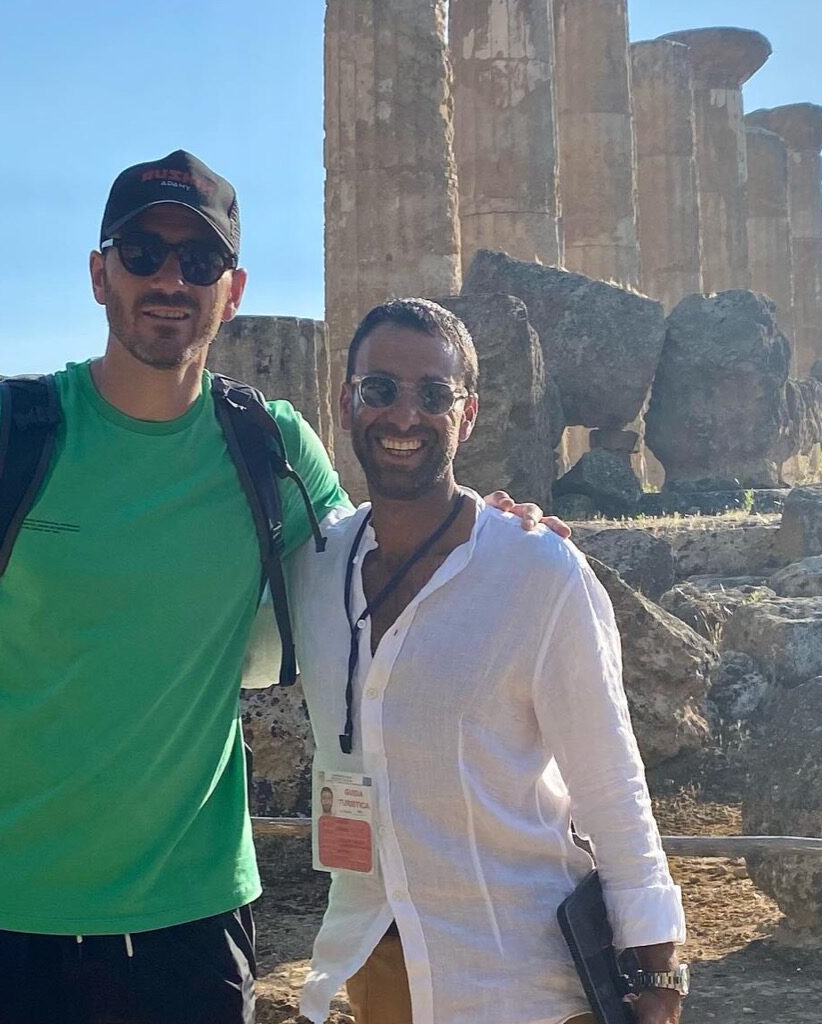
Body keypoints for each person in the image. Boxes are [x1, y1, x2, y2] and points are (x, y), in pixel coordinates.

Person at [0, 151, 563, 1024]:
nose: (170, 279)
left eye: (200, 259)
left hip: (191, 922)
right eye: (142, 253)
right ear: (99, 275)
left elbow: (375, 567)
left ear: (233, 289)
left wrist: (491, 531)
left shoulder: (270, 447)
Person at [281, 298, 687, 1024]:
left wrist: (657, 966)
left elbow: (610, 781)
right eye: (381, 389)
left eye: (434, 394)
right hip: (379, 962)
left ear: (466, 416)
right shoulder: (315, 567)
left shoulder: (538, 570)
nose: (405, 415)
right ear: (345, 404)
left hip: (520, 976)